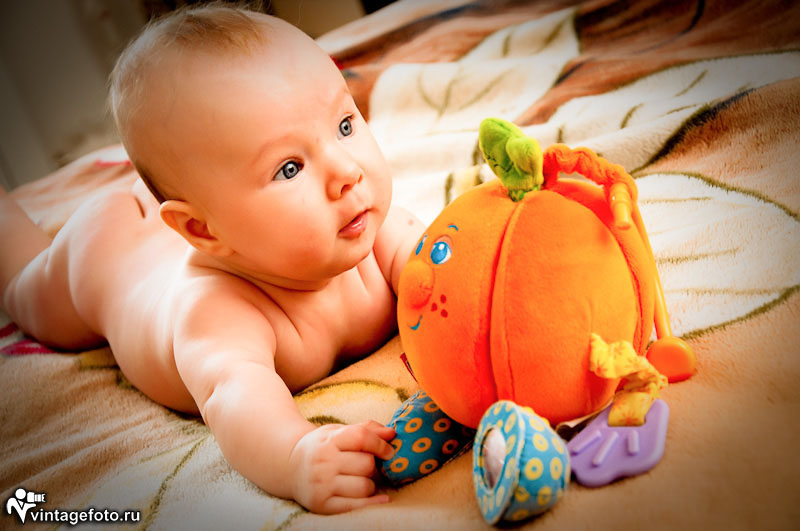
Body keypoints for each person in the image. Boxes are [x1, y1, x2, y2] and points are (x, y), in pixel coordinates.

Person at [0, 4, 426, 514]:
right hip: (109, 253)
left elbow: (446, 271)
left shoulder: (373, 227)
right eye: (290, 168)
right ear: (202, 230)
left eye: (344, 125)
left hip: (200, 212)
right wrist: (295, 455)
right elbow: (237, 398)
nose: (347, 172)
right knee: (24, 291)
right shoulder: (215, 312)